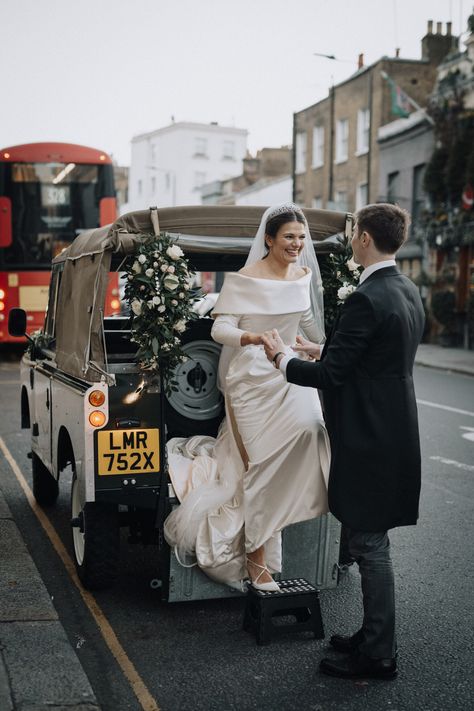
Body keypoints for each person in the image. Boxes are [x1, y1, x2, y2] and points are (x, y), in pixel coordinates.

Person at [263, 203, 424, 679]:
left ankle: (378, 654)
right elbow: (374, 355)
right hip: (394, 429)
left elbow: (332, 377)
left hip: (369, 435)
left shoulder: (366, 298)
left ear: (366, 239)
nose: (351, 239)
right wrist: (325, 346)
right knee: (366, 537)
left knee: (370, 544)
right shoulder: (405, 289)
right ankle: (371, 635)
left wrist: (282, 358)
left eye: (355, 232)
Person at [164, 203, 330, 591]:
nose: (297, 244)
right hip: (250, 379)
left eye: (302, 238)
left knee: (314, 432)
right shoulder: (243, 279)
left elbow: (307, 324)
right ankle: (258, 558)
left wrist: (312, 347)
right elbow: (221, 329)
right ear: (269, 239)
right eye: (289, 236)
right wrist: (253, 338)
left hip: (289, 372)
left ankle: (286, 513)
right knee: (259, 463)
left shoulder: (304, 276)